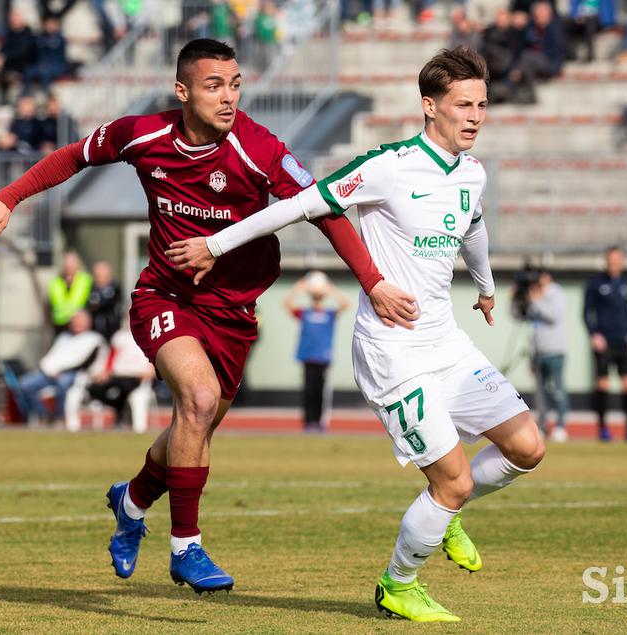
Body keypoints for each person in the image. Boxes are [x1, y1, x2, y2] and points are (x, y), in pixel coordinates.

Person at [0, 38, 416, 595]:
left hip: (233, 312)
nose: (228, 97)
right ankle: (187, 548)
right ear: (182, 91)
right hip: (166, 296)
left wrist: (373, 283)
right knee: (198, 400)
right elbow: (74, 156)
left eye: (234, 85)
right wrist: (8, 198)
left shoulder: (260, 150)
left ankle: (130, 503)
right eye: (213, 86)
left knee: (196, 425)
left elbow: (325, 209)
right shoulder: (144, 135)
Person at [167, 46, 546, 621]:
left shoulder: (473, 172)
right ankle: (398, 584)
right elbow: (298, 205)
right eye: (463, 104)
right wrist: (215, 245)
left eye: (482, 104)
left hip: (446, 343)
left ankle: (446, 514)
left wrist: (486, 286)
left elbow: (473, 224)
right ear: (429, 106)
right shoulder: (389, 167)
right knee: (453, 481)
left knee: (527, 449)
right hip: (393, 351)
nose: (475, 115)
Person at [583, 245, 627, 442]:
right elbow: (586, 312)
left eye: (618, 261)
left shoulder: (625, 283)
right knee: (603, 384)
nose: (614, 264)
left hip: (624, 341)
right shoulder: (595, 283)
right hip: (604, 342)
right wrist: (594, 335)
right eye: (611, 260)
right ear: (606, 261)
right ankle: (603, 429)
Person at [282, 271, 350, 432]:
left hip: (323, 357)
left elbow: (346, 303)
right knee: (308, 391)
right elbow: (286, 304)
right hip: (307, 356)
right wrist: (298, 289)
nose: (317, 298)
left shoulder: (329, 314)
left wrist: (330, 289)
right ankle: (308, 422)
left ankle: (320, 423)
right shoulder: (305, 313)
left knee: (320, 392)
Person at [16, 310, 108, 423]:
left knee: (63, 383)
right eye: (74, 321)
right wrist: (47, 369)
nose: (76, 324)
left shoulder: (94, 340)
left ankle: (59, 417)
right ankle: (41, 414)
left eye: (79, 321)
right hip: (49, 374)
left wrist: (62, 371)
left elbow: (86, 362)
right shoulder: (63, 337)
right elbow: (51, 357)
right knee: (24, 384)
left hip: (73, 374)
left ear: (88, 322)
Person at [512, 267, 569, 441]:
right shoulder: (533, 294)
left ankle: (560, 426)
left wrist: (537, 300)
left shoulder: (555, 293)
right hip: (537, 350)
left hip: (555, 350)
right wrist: (515, 297)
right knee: (540, 392)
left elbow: (553, 315)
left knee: (558, 390)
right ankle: (543, 425)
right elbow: (519, 316)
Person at [88, 315, 157, 429]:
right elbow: (111, 358)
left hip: (137, 376)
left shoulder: (150, 334)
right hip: (118, 375)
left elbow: (154, 357)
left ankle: (122, 413)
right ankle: (120, 409)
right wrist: (105, 372)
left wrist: (151, 371)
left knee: (122, 390)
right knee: (94, 389)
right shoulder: (119, 336)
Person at [49, 250, 92, 335]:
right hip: (60, 326)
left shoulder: (86, 280)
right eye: (66, 264)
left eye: (71, 264)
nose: (68, 266)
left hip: (80, 328)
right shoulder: (55, 282)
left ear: (78, 265)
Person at [87, 260, 122, 341]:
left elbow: (107, 304)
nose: (97, 278)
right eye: (96, 275)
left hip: (113, 330)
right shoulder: (91, 289)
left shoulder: (114, 288)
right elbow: (92, 306)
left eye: (100, 275)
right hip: (95, 331)